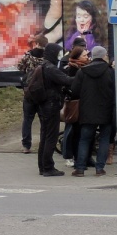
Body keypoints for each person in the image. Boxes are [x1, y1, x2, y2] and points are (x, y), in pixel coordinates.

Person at [70, 46, 115, 177]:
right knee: (104, 139)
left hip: (87, 110)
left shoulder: (82, 72)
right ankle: (100, 168)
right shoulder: (110, 71)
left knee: (84, 139)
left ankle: (80, 169)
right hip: (106, 111)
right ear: (103, 56)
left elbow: (75, 90)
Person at [37, 43, 73, 177]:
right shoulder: (50, 68)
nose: (60, 56)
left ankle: (42, 166)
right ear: (52, 53)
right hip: (51, 105)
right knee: (51, 137)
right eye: (58, 53)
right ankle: (48, 167)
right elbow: (66, 80)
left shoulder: (43, 65)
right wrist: (81, 75)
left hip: (44, 105)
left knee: (44, 136)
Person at [16, 35, 48, 154]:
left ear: (36, 43)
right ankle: (43, 144)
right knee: (43, 119)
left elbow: (19, 67)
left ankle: (26, 145)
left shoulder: (28, 56)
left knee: (27, 119)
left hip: (29, 91)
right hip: (43, 92)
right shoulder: (47, 57)